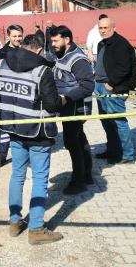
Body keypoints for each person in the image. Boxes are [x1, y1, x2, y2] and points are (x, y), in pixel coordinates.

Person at [0, 34, 64, 244]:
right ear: (40, 50)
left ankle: (15, 223)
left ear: (22, 46)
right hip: (37, 132)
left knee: (17, 175)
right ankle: (36, 229)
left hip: (13, 129)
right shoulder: (42, 71)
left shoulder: (0, 66)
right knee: (40, 178)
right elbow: (52, 105)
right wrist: (63, 99)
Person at [50, 25, 95, 194]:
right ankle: (87, 174)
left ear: (67, 39)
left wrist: (65, 98)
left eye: (56, 40)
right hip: (68, 108)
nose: (53, 44)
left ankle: (79, 181)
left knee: (71, 142)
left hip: (76, 108)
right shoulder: (63, 55)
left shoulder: (78, 60)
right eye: (52, 40)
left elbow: (88, 86)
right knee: (79, 139)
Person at [94, 18, 136, 164]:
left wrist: (111, 84)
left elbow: (124, 67)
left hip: (113, 87)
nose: (103, 30)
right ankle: (113, 151)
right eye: (100, 28)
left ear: (114, 27)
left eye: (106, 27)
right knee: (107, 121)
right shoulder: (102, 43)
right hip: (99, 86)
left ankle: (127, 154)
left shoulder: (120, 43)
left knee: (118, 121)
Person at [0, 24, 24, 168]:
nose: (18, 39)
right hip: (6, 97)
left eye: (19, 36)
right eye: (15, 36)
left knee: (22, 126)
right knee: (6, 127)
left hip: (22, 96)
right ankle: (2, 155)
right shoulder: (1, 54)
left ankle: (22, 155)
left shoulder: (26, 51)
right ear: (8, 37)